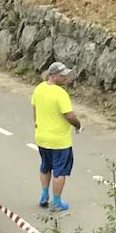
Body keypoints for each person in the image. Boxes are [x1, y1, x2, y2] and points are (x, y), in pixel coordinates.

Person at [32, 61, 81, 212]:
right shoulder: (60, 94)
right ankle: (57, 202)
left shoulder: (39, 89)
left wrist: (37, 124)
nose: (66, 77)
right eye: (62, 75)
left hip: (42, 137)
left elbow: (34, 107)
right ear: (53, 76)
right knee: (60, 171)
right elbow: (69, 116)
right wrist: (78, 125)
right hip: (59, 140)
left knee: (45, 167)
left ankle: (44, 195)